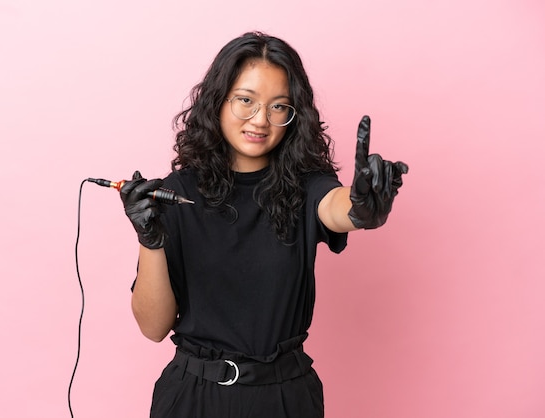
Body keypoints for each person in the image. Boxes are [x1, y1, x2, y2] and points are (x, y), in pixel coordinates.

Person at [119, 31, 408, 418]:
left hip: (284, 398)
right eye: (245, 101)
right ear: (218, 101)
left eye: (278, 107)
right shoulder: (177, 193)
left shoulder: (306, 186)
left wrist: (361, 208)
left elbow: (336, 206)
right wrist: (149, 239)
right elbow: (154, 328)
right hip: (192, 397)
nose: (260, 120)